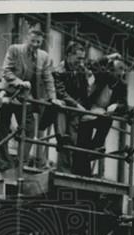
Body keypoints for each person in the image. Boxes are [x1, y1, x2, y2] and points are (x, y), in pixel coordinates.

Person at [0, 21, 60, 170]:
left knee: (30, 130)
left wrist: (53, 97)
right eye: (33, 41)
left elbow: (48, 78)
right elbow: (6, 71)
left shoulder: (43, 57)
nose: (35, 45)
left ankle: (21, 162)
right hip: (9, 94)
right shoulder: (14, 50)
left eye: (38, 42)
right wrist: (19, 82)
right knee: (3, 129)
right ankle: (3, 163)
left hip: (26, 98)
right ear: (27, 39)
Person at [77, 53, 129, 176]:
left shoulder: (122, 85)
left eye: (123, 70)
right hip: (89, 110)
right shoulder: (103, 76)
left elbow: (124, 105)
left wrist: (116, 106)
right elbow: (93, 64)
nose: (121, 73)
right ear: (111, 69)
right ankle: (84, 171)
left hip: (103, 113)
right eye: (119, 69)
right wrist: (109, 57)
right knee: (83, 143)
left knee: (107, 120)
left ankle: (96, 147)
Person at [52, 40, 91, 173]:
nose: (80, 62)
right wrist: (77, 105)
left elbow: (84, 92)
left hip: (74, 112)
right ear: (68, 55)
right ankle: (64, 171)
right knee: (64, 138)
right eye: (78, 58)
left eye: (82, 59)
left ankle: (68, 170)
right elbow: (60, 93)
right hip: (62, 109)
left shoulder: (81, 70)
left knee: (73, 141)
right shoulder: (59, 71)